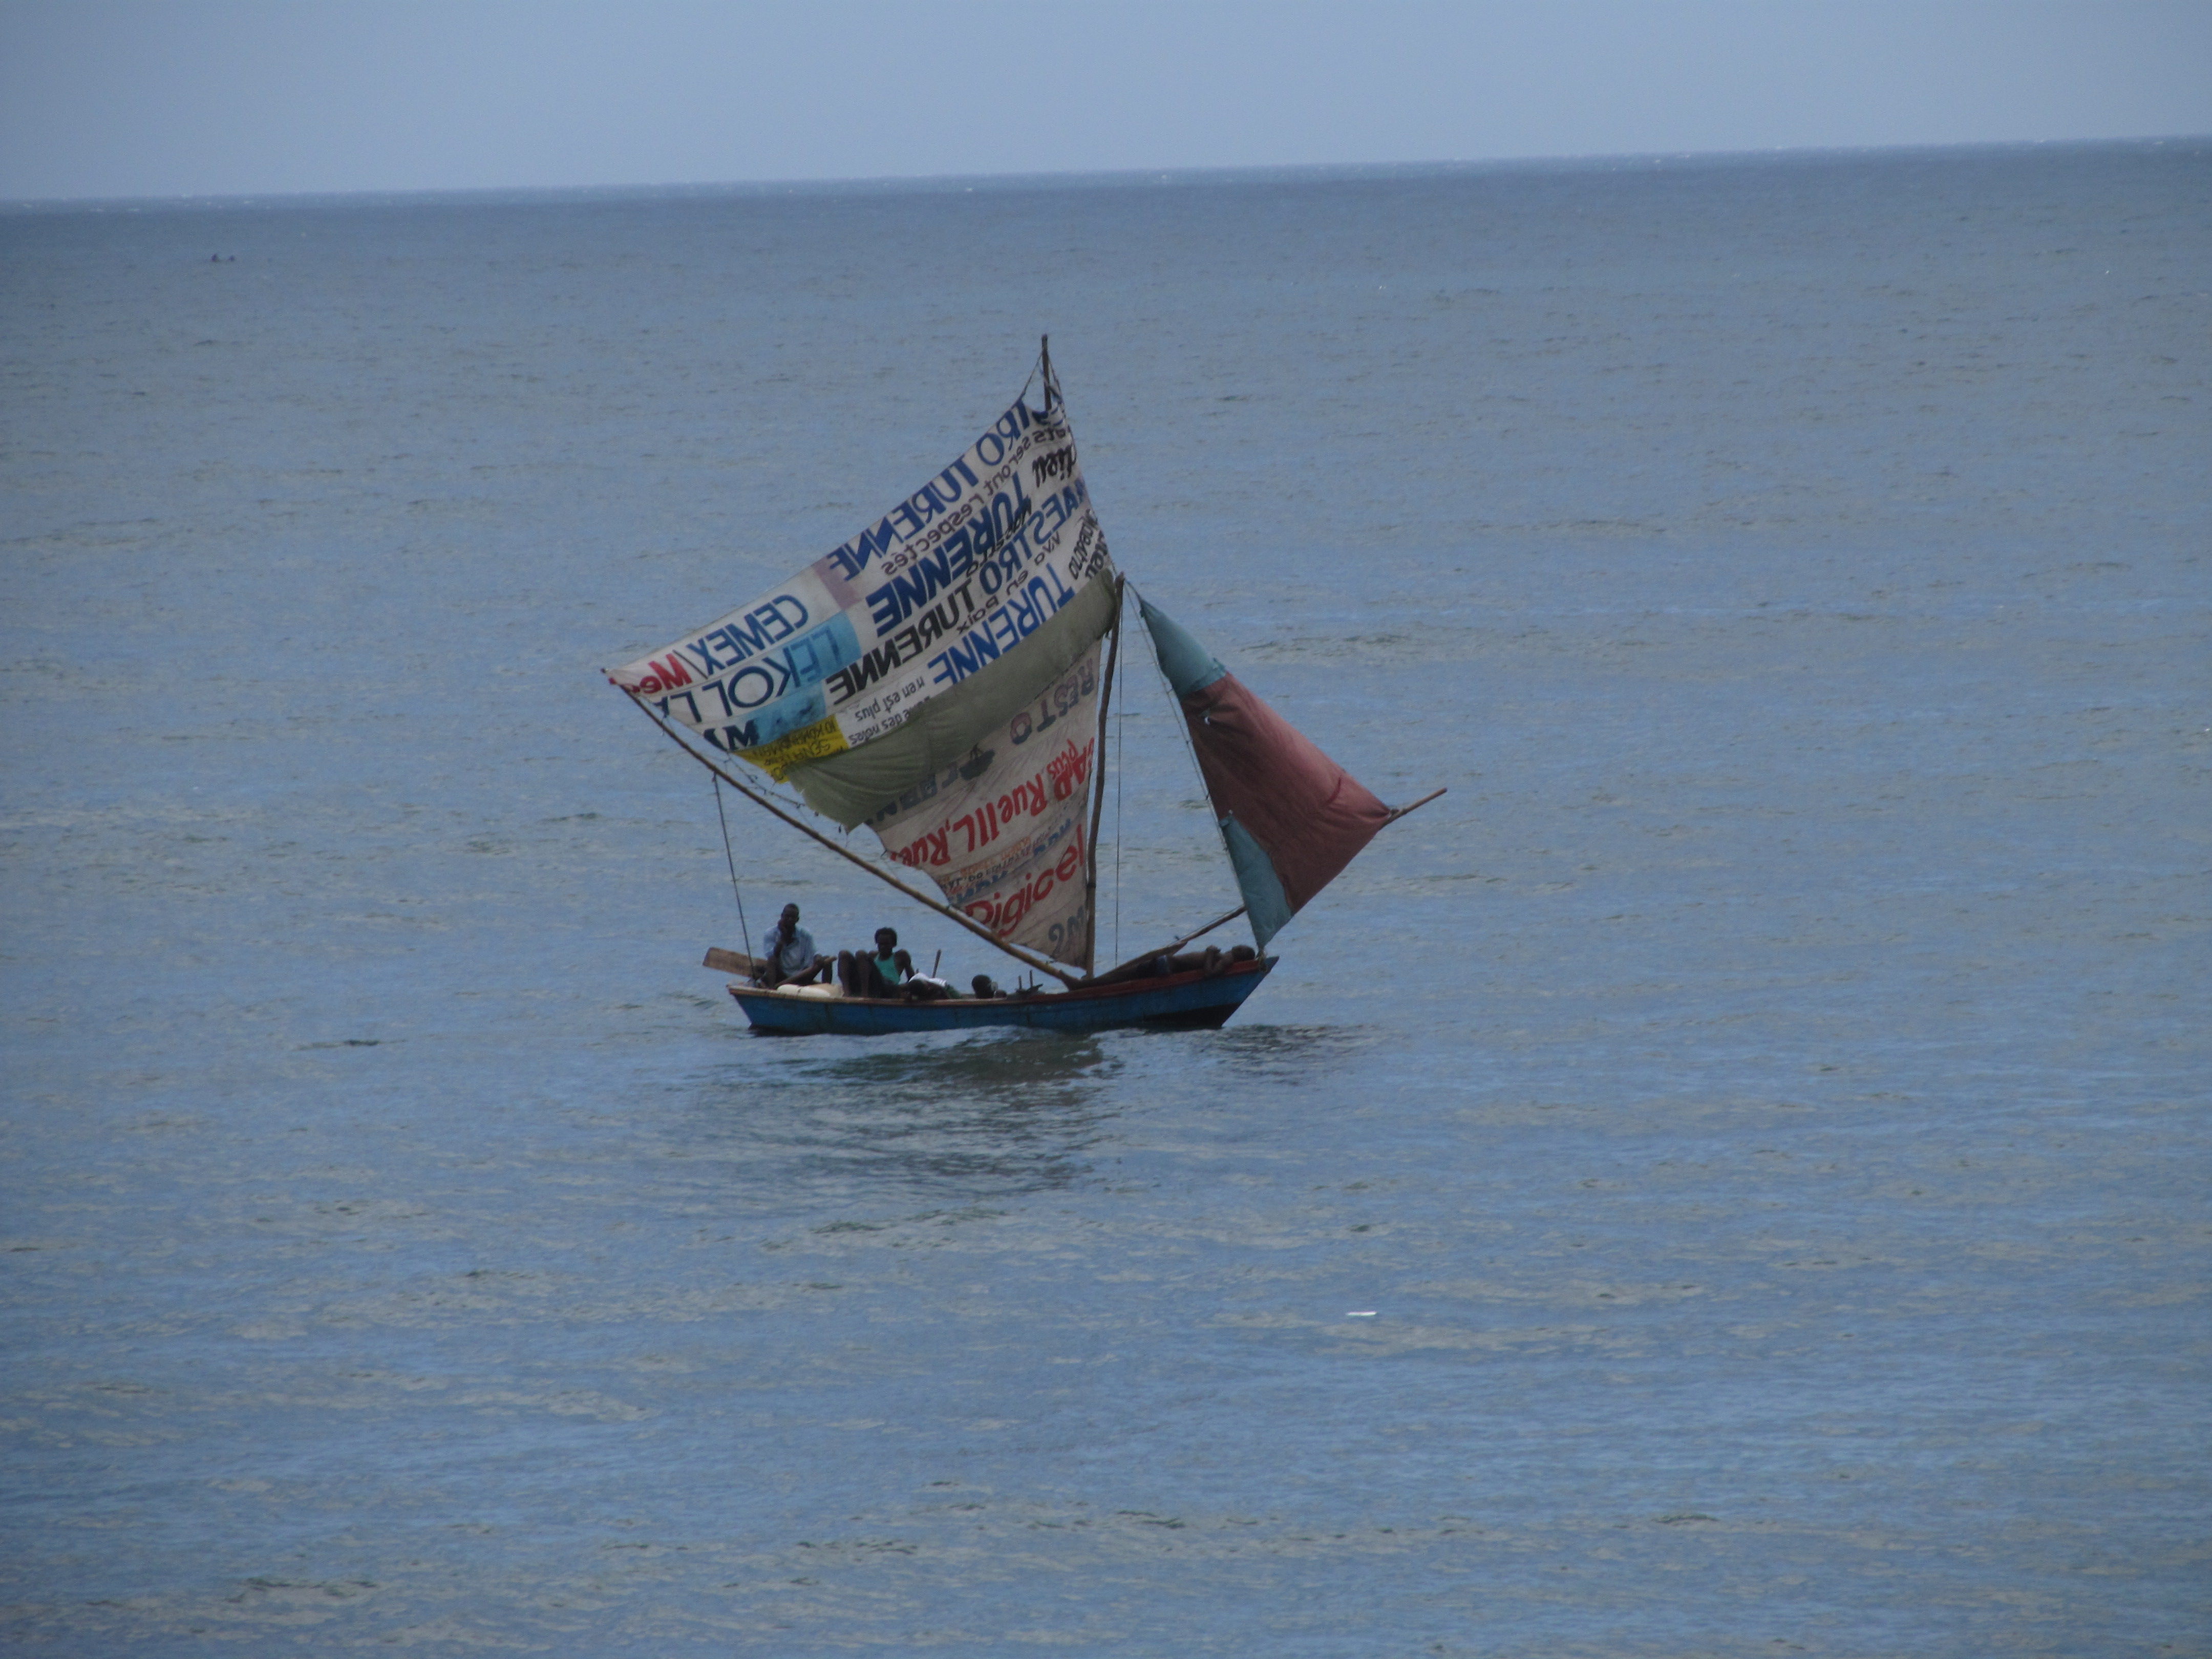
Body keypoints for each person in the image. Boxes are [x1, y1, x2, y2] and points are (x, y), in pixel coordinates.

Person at [759, 903, 828, 987]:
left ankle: (827, 988)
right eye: (787, 917)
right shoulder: (771, 933)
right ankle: (771, 990)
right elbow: (773, 956)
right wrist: (783, 938)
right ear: (782, 916)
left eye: (793, 918)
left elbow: (814, 952)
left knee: (827, 960)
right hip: (781, 976)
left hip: (802, 975)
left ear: (797, 920)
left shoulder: (805, 934)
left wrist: (818, 957)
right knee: (772, 959)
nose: (790, 920)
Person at [838, 927, 905, 998]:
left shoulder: (900, 956)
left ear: (894, 944)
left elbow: (912, 978)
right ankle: (847, 993)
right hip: (873, 985)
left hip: (889, 987)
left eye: (886, 944)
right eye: (881, 944)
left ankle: (864, 995)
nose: (883, 947)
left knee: (861, 954)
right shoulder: (873, 956)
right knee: (844, 954)